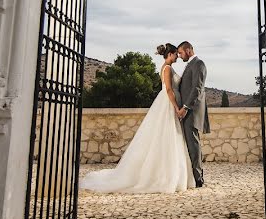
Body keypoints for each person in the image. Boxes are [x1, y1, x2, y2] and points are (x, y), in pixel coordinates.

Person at [79, 43, 195, 193]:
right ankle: (164, 176)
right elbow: (168, 89)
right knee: (168, 136)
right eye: (176, 54)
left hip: (169, 104)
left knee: (169, 137)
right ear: (170, 54)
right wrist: (176, 107)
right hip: (167, 104)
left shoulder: (169, 68)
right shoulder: (166, 68)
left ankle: (171, 173)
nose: (178, 57)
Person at [177, 41, 210, 187]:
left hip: (191, 111)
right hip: (187, 111)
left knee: (193, 144)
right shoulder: (190, 65)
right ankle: (192, 175)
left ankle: (198, 178)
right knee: (190, 143)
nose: (179, 55)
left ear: (189, 50)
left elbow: (197, 88)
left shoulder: (199, 64)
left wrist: (185, 107)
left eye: (181, 52)